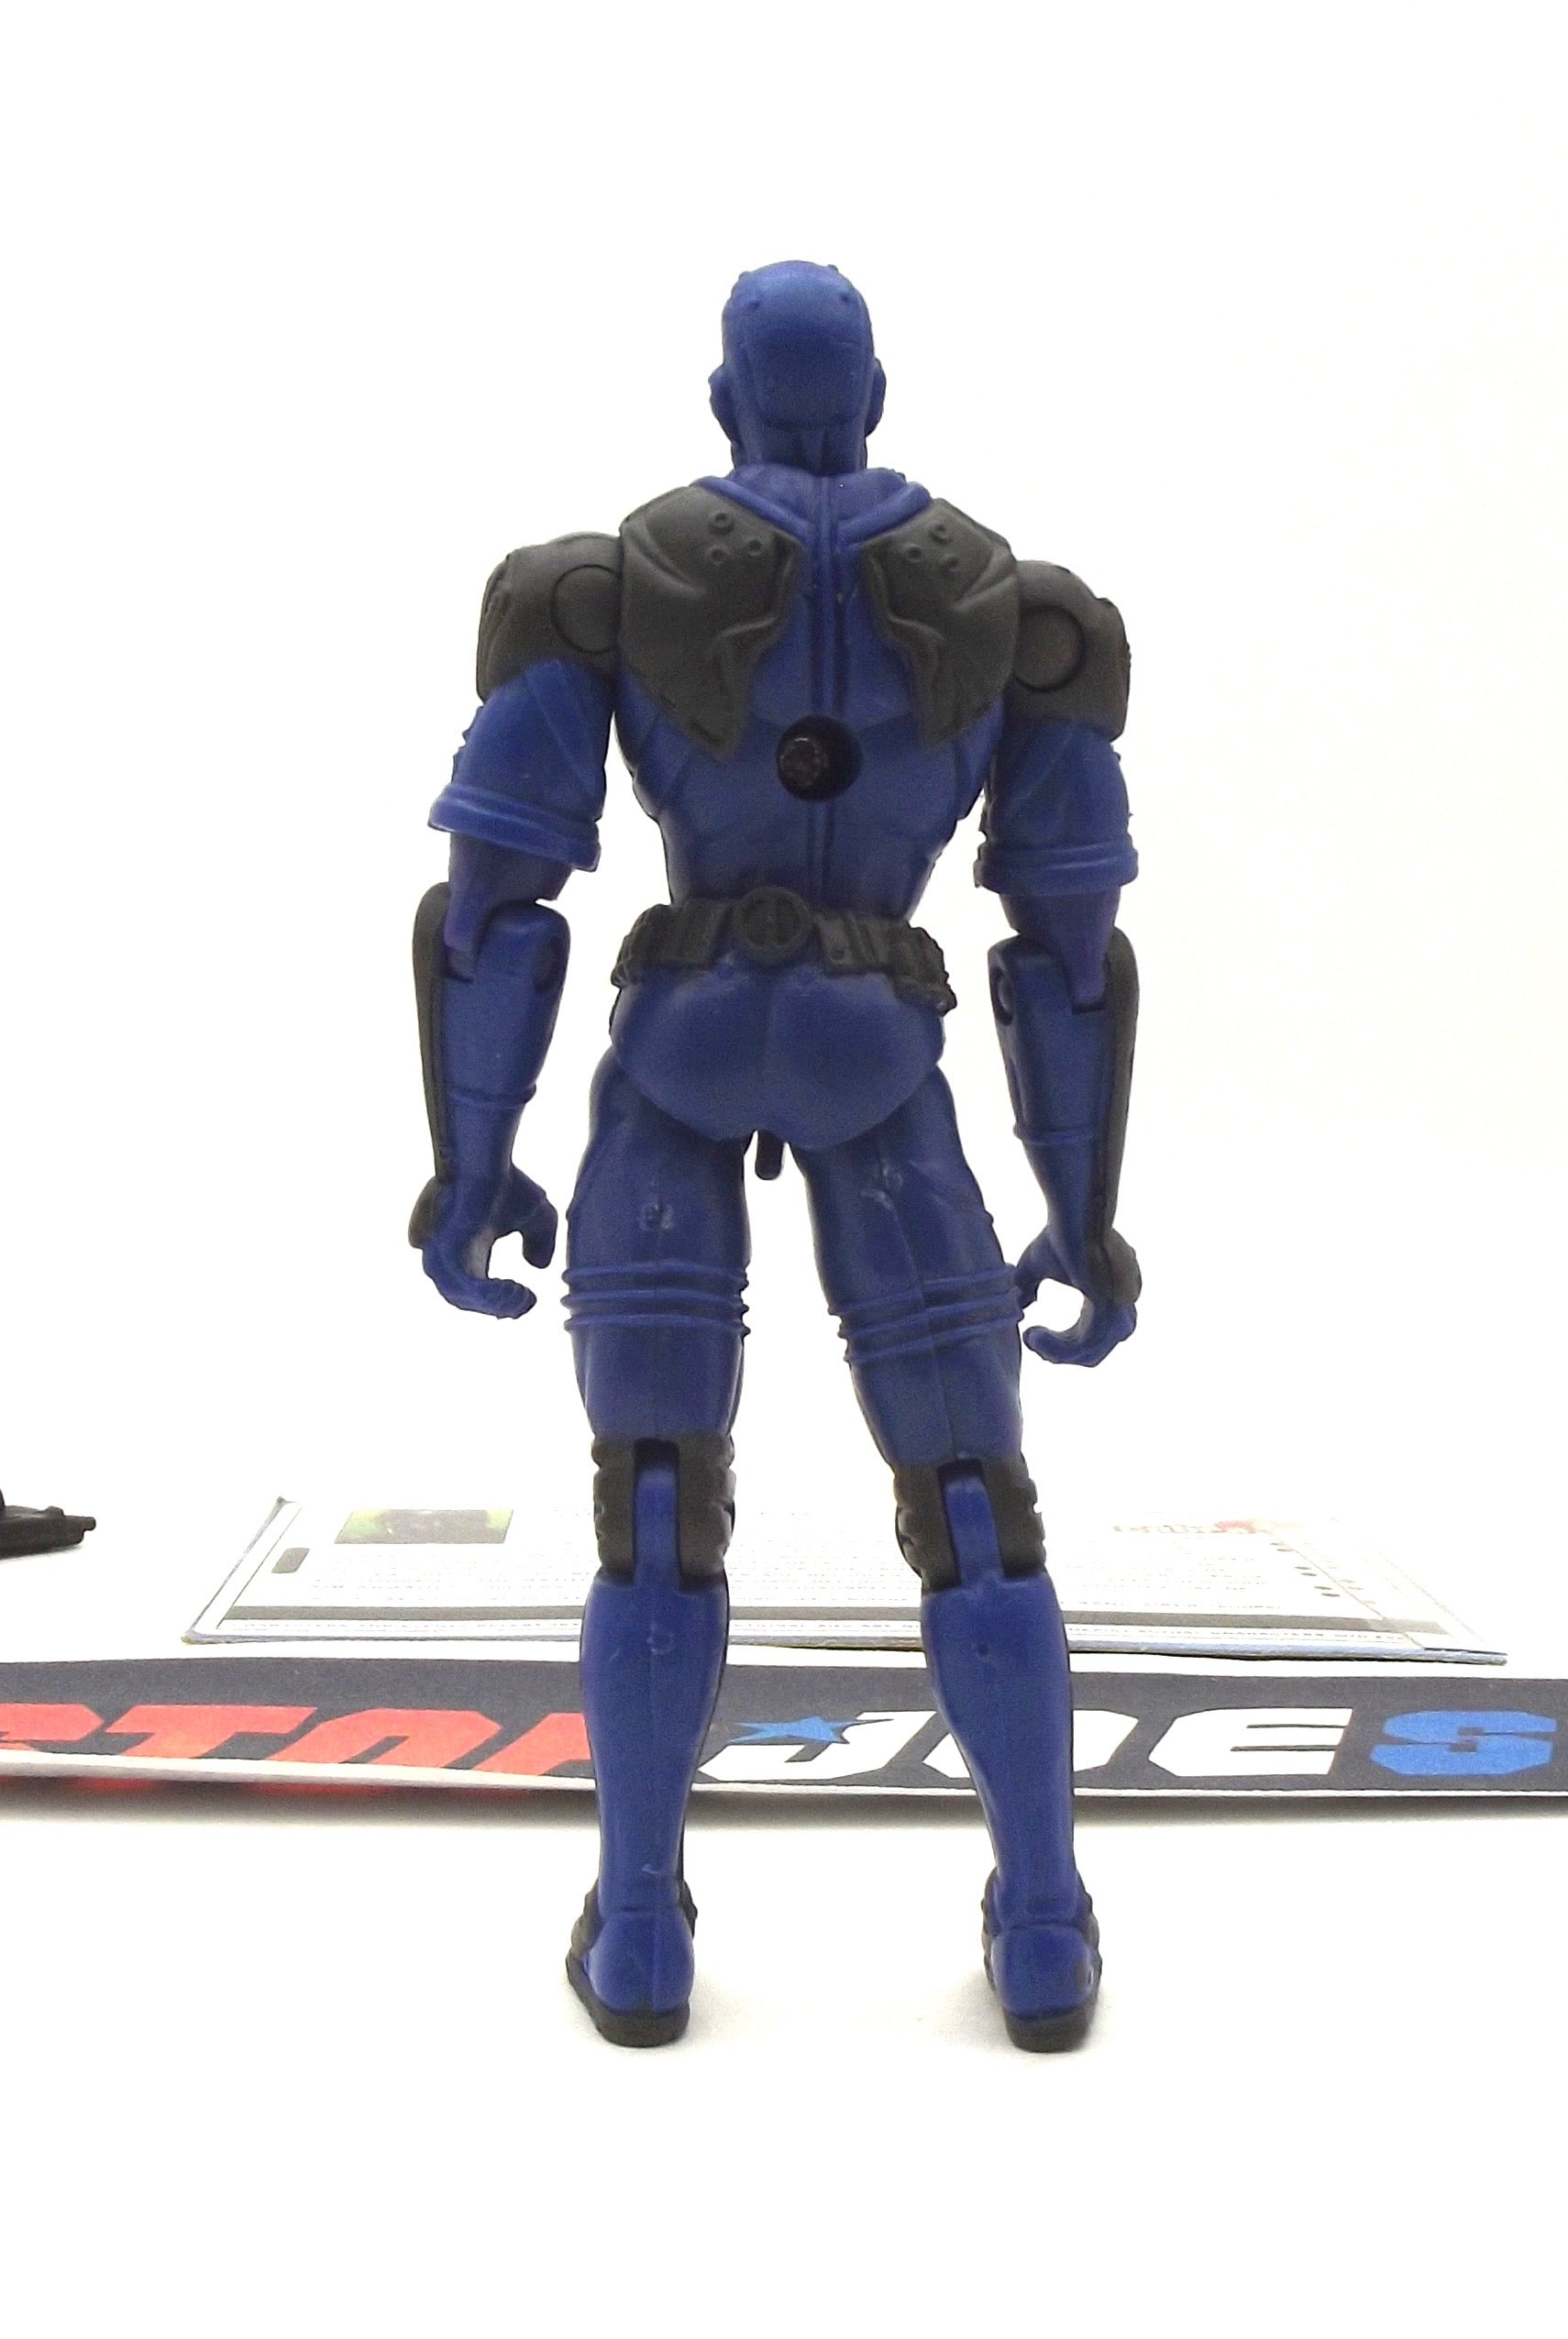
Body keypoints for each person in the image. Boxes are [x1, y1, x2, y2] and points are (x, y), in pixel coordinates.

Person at [411, 260, 1141, 2048]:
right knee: (971, 1507)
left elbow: (495, 902)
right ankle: (1046, 1927)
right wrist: (1083, 1211)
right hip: (877, 1054)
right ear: (873, 398)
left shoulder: (603, 584)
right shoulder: (1014, 608)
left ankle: (640, 1929)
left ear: (723, 400)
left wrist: (471, 1157)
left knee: (657, 1500)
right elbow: (1065, 942)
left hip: (678, 1051)